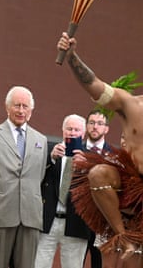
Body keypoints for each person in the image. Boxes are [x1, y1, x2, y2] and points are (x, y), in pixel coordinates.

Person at [57, 33, 143, 268]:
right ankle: (123, 236)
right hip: (131, 183)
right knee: (97, 174)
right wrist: (72, 57)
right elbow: (94, 86)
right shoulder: (130, 103)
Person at [0, 86, 48, 268]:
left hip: (30, 215)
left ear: (31, 110)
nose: (21, 110)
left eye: (25, 106)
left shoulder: (41, 140)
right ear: (7, 107)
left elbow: (39, 175)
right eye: (17, 105)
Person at [36, 114, 90, 268]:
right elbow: (36, 178)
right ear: (63, 130)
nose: (72, 133)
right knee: (38, 264)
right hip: (48, 221)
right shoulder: (51, 151)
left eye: (76, 130)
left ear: (83, 133)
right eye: (69, 129)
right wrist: (51, 159)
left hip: (76, 222)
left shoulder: (91, 158)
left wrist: (86, 168)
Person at [83, 110, 112, 268]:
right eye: (92, 123)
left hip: (102, 219)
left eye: (100, 124)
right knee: (74, 262)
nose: (95, 127)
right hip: (77, 219)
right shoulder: (75, 151)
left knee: (99, 263)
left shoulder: (114, 155)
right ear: (86, 126)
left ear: (106, 129)